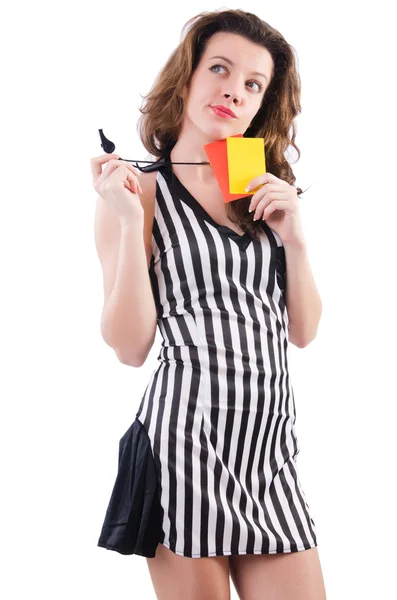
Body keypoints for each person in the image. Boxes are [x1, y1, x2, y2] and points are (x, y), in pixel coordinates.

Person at [91, 8, 327, 600]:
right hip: (184, 444)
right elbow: (129, 346)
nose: (233, 90)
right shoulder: (137, 190)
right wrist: (126, 226)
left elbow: (303, 331)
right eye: (219, 68)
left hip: (269, 450)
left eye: (253, 84)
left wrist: (296, 239)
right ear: (188, 77)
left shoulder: (261, 186)